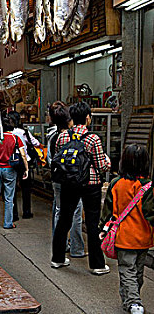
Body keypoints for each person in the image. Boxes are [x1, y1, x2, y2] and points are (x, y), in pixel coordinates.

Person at [51, 102, 111, 274]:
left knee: (64, 219)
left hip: (68, 182)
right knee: (92, 223)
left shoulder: (62, 137)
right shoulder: (93, 139)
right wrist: (107, 161)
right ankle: (97, 265)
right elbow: (101, 166)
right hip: (90, 184)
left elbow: (58, 159)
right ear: (87, 118)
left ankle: (58, 258)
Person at [99, 144, 153, 314]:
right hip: (143, 237)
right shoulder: (149, 187)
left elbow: (107, 210)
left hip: (123, 237)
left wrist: (103, 227)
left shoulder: (116, 184)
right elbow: (150, 214)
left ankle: (132, 302)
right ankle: (132, 300)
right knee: (137, 270)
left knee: (127, 270)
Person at [47, 101, 86, 258]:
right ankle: (77, 248)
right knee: (76, 212)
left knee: (59, 211)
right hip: (72, 179)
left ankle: (61, 245)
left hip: (57, 178)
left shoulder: (52, 137)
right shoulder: (72, 137)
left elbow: (51, 160)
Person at [0, 113, 28, 229]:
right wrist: (26, 169)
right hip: (10, 169)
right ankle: (8, 223)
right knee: (9, 197)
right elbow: (23, 155)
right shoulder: (16, 138)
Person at [9, 111, 41, 220]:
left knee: (11, 188)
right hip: (24, 162)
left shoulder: (7, 133)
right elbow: (35, 143)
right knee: (26, 188)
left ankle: (13, 214)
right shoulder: (23, 132)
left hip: (11, 162)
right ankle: (26, 212)